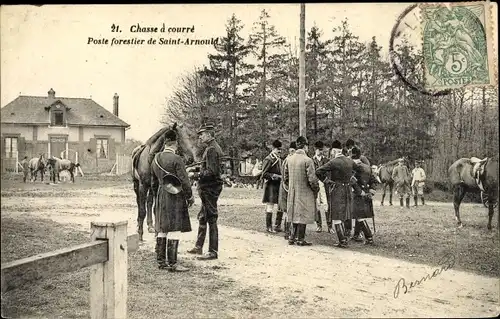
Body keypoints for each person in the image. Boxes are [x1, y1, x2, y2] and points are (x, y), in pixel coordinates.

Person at [151, 130, 195, 272]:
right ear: (175, 143)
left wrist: (156, 195)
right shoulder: (177, 159)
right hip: (175, 195)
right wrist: (189, 196)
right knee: (175, 228)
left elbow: (153, 182)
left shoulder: (156, 158)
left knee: (163, 227)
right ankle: (173, 263)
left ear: (165, 143)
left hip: (160, 195)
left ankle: (161, 262)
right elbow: (184, 181)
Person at [187, 123, 224, 260]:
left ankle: (213, 251)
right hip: (208, 188)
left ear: (209, 134)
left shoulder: (212, 150)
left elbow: (212, 172)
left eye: (201, 134)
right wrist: (196, 170)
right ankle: (199, 246)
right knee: (203, 216)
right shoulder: (212, 148)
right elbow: (208, 168)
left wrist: (195, 175)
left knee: (211, 218)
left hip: (210, 188)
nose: (200, 137)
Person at [316, 140, 356, 248]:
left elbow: (318, 171)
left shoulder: (333, 162)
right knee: (345, 214)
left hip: (337, 189)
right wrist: (352, 179)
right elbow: (358, 170)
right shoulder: (349, 161)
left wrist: (326, 181)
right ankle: (345, 237)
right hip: (348, 190)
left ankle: (342, 241)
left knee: (337, 216)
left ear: (334, 150)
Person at [283, 136, 319, 246]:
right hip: (305, 191)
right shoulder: (308, 160)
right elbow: (312, 179)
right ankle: (300, 238)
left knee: (294, 213)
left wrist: (291, 186)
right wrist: (316, 189)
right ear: (305, 146)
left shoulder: (289, 159)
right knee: (303, 214)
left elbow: (285, 176)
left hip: (293, 190)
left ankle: (292, 237)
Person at [350, 147, 376, 244]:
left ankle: (369, 238)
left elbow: (352, 181)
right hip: (366, 193)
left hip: (357, 194)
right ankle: (356, 235)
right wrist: (371, 190)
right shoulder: (367, 167)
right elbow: (373, 180)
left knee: (359, 216)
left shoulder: (353, 167)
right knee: (359, 214)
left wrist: (359, 191)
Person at [260, 139, 283, 233]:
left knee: (280, 206)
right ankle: (268, 226)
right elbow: (264, 174)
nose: (279, 151)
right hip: (271, 185)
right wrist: (276, 176)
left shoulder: (279, 159)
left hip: (279, 185)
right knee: (270, 206)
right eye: (278, 149)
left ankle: (277, 225)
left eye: (280, 149)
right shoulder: (268, 159)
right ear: (273, 149)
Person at [278, 142, 296, 240]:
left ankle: (289, 232)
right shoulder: (288, 160)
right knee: (287, 211)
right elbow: (285, 177)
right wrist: (289, 187)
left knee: (289, 211)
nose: (293, 152)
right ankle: (287, 232)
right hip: (286, 188)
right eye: (292, 151)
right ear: (290, 151)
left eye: (294, 151)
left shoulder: (290, 160)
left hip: (288, 187)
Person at [312, 141, 330, 233]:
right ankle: (319, 225)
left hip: (324, 184)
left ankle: (329, 226)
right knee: (317, 205)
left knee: (327, 205)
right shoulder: (311, 160)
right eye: (319, 150)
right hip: (315, 185)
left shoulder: (326, 160)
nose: (321, 151)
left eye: (322, 149)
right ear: (315, 150)